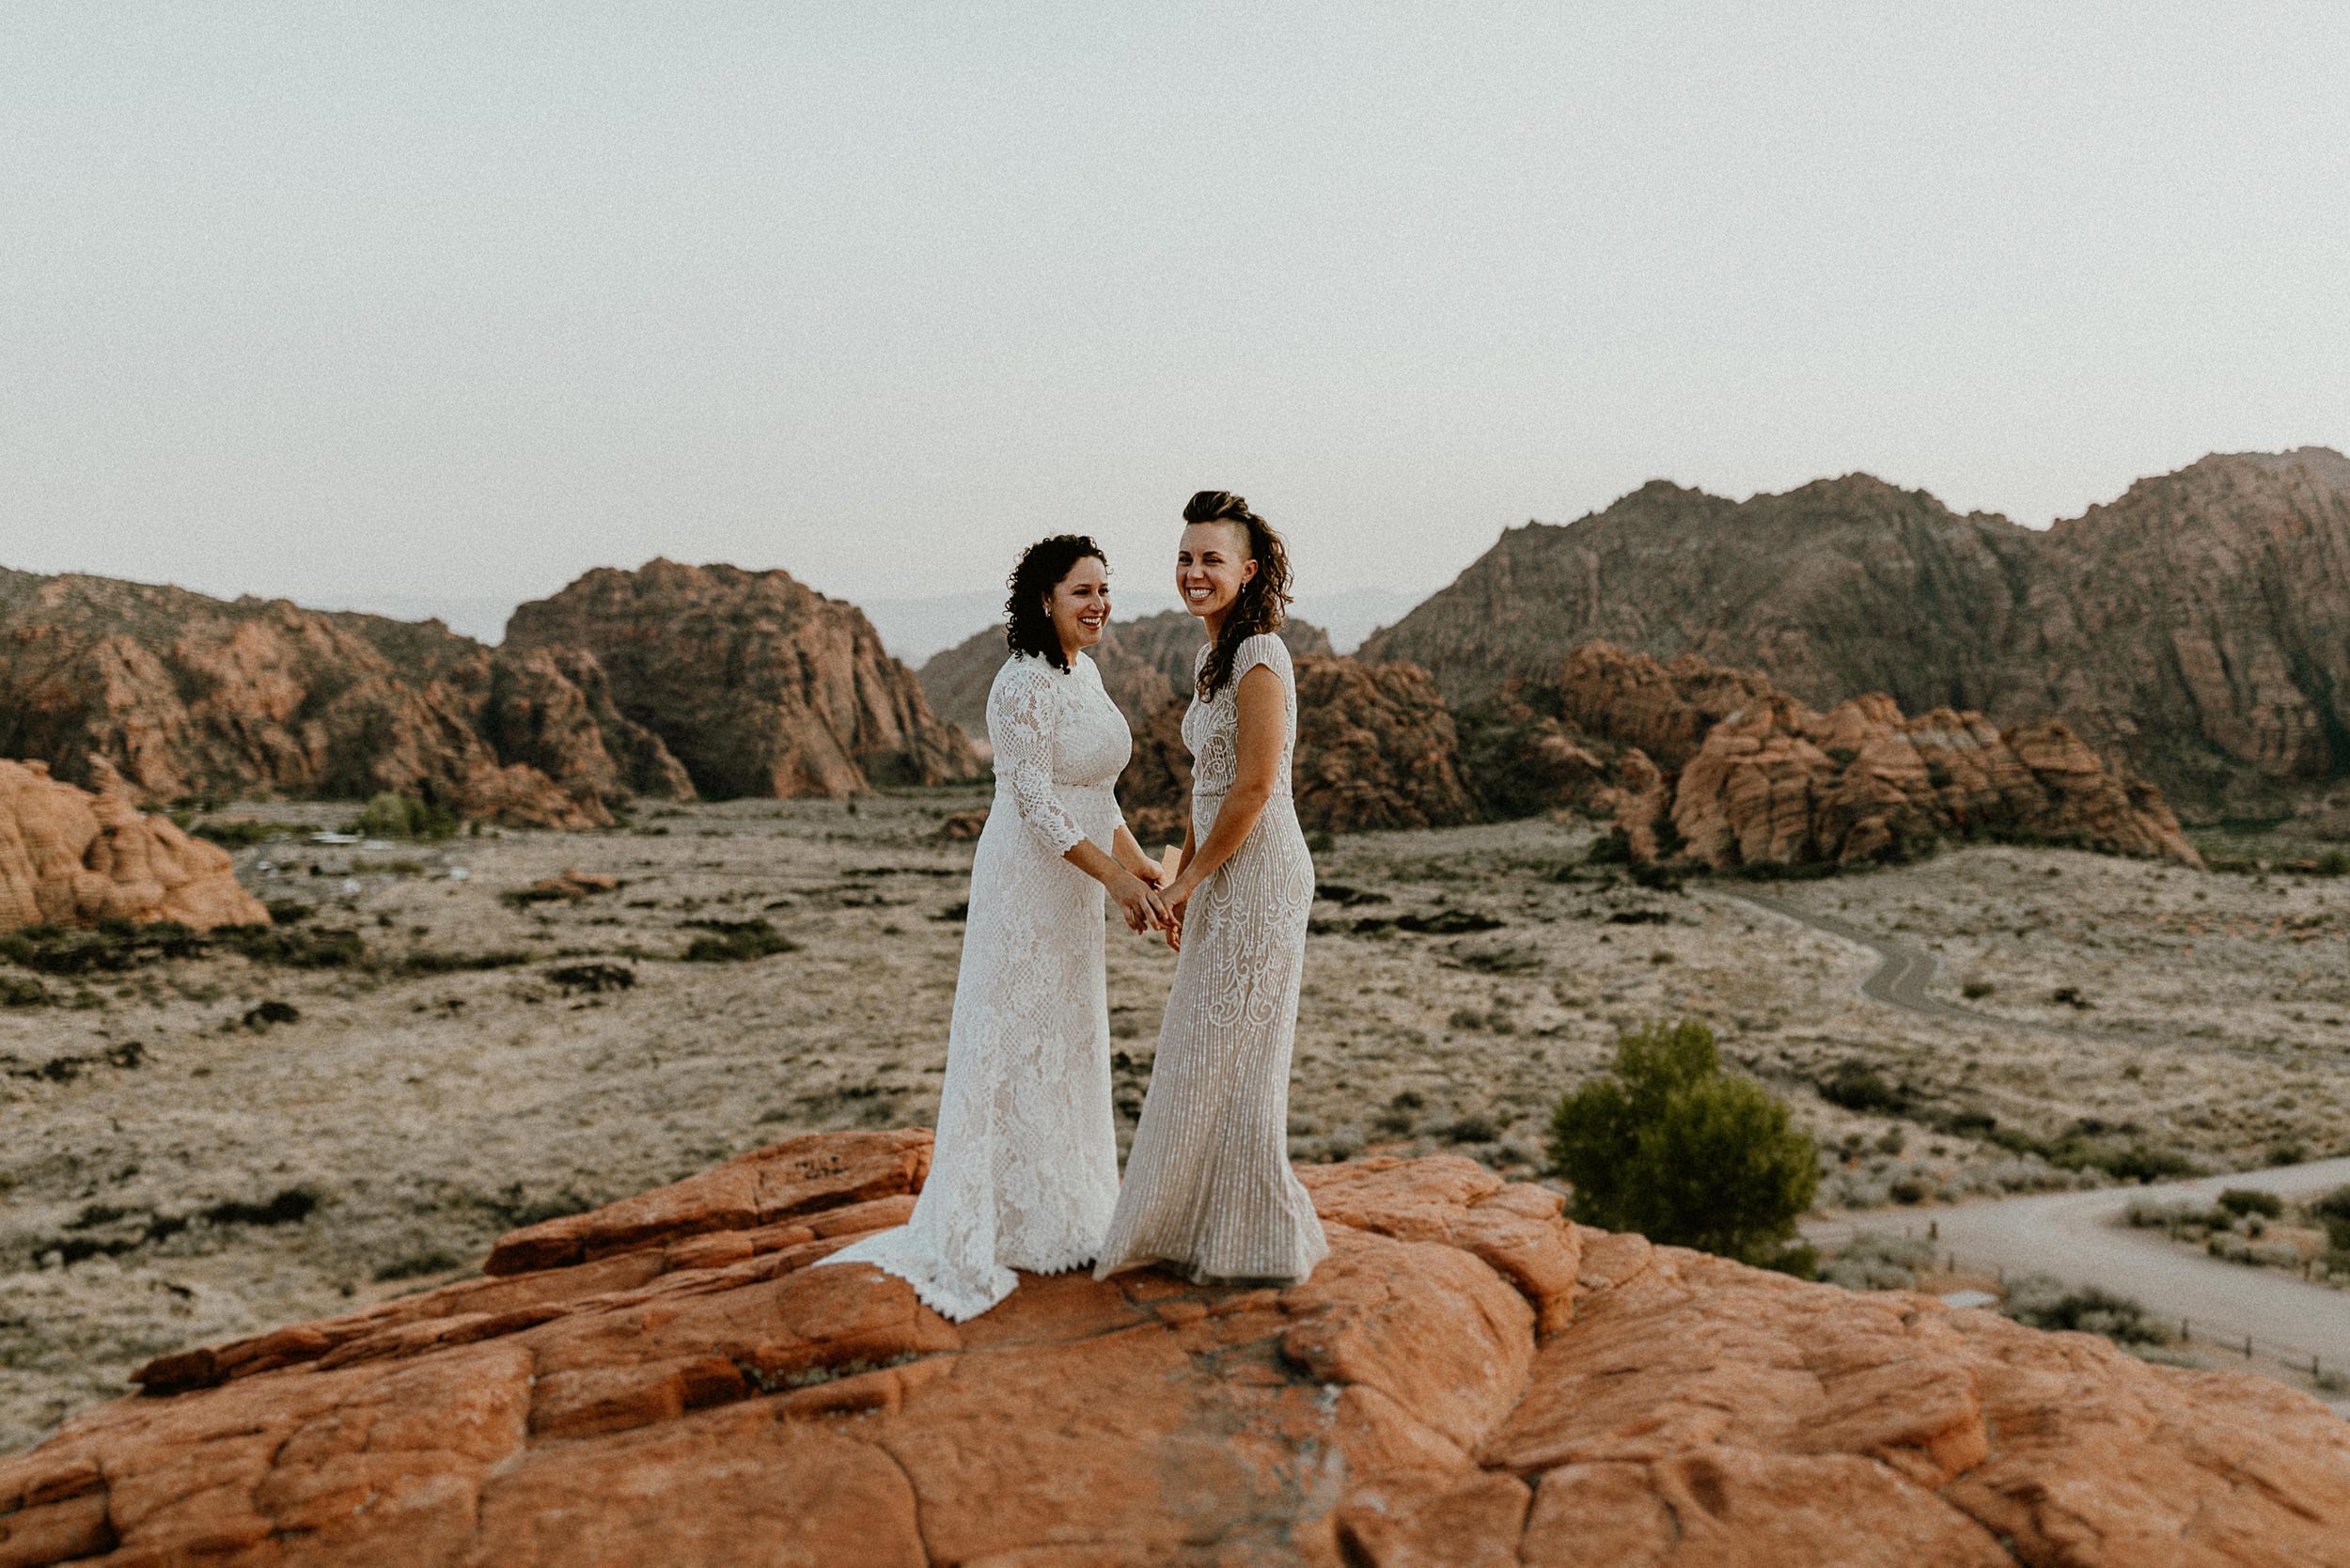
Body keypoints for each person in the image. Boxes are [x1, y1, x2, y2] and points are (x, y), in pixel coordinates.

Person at [821, 535, 1170, 1320]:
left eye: (1105, 590)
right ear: (1045, 598)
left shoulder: (1089, 674)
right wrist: (1112, 879)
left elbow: (1096, 796)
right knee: (1014, 1036)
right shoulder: (1018, 687)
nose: (1099, 604)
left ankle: (1066, 1213)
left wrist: (1139, 864)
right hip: (1026, 883)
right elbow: (1036, 802)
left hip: (1078, 882)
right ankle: (996, 1223)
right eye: (1083, 591)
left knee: (1070, 1031)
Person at [1094, 492, 1327, 1287]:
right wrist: (1187, 882)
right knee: (1199, 1054)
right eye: (1187, 558)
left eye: (1212, 559)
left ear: (1249, 570)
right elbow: (1208, 786)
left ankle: (1256, 1246)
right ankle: (1192, 1231)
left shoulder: (1262, 655)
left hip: (1262, 878)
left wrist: (1193, 877)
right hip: (1222, 874)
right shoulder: (1210, 659)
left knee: (1240, 1059)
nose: (1195, 572)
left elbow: (1255, 788)